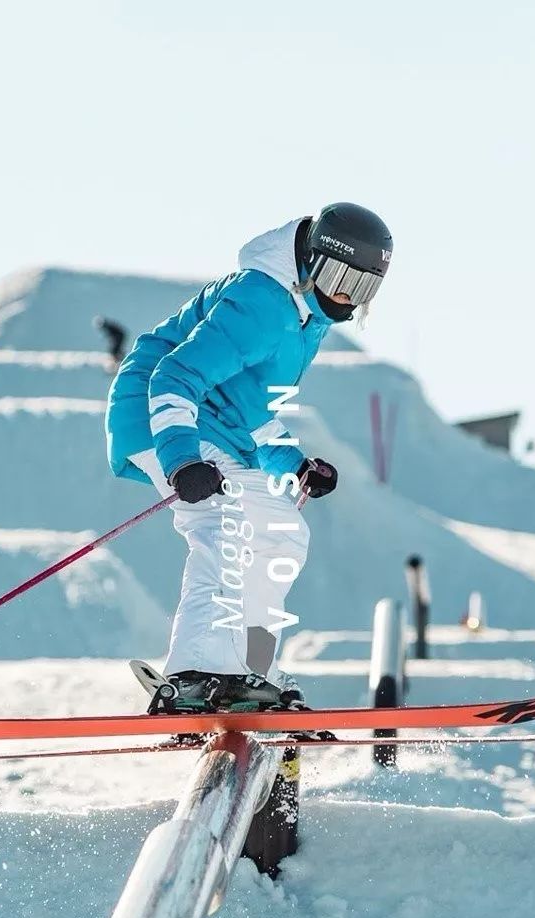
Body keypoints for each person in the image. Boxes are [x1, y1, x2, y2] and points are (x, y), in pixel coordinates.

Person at [105, 203, 392, 710]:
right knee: (223, 524)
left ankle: (251, 674)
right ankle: (197, 670)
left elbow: (253, 405)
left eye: (364, 287)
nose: (347, 296)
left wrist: (294, 465)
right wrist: (180, 460)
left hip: (219, 422)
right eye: (341, 277)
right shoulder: (262, 300)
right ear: (313, 261)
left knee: (282, 534)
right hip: (161, 414)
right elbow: (173, 376)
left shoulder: (310, 318)